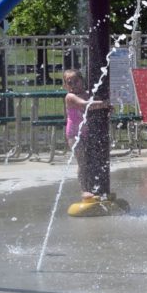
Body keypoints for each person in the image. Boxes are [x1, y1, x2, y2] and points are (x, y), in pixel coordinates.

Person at [63, 69, 110, 199]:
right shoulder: (70, 97)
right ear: (65, 86)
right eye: (69, 82)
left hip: (87, 132)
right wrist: (104, 104)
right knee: (82, 162)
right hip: (74, 134)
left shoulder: (88, 94)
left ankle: (93, 187)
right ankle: (84, 190)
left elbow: (93, 102)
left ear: (82, 81)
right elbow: (85, 105)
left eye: (76, 81)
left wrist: (107, 107)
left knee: (90, 161)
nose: (73, 84)